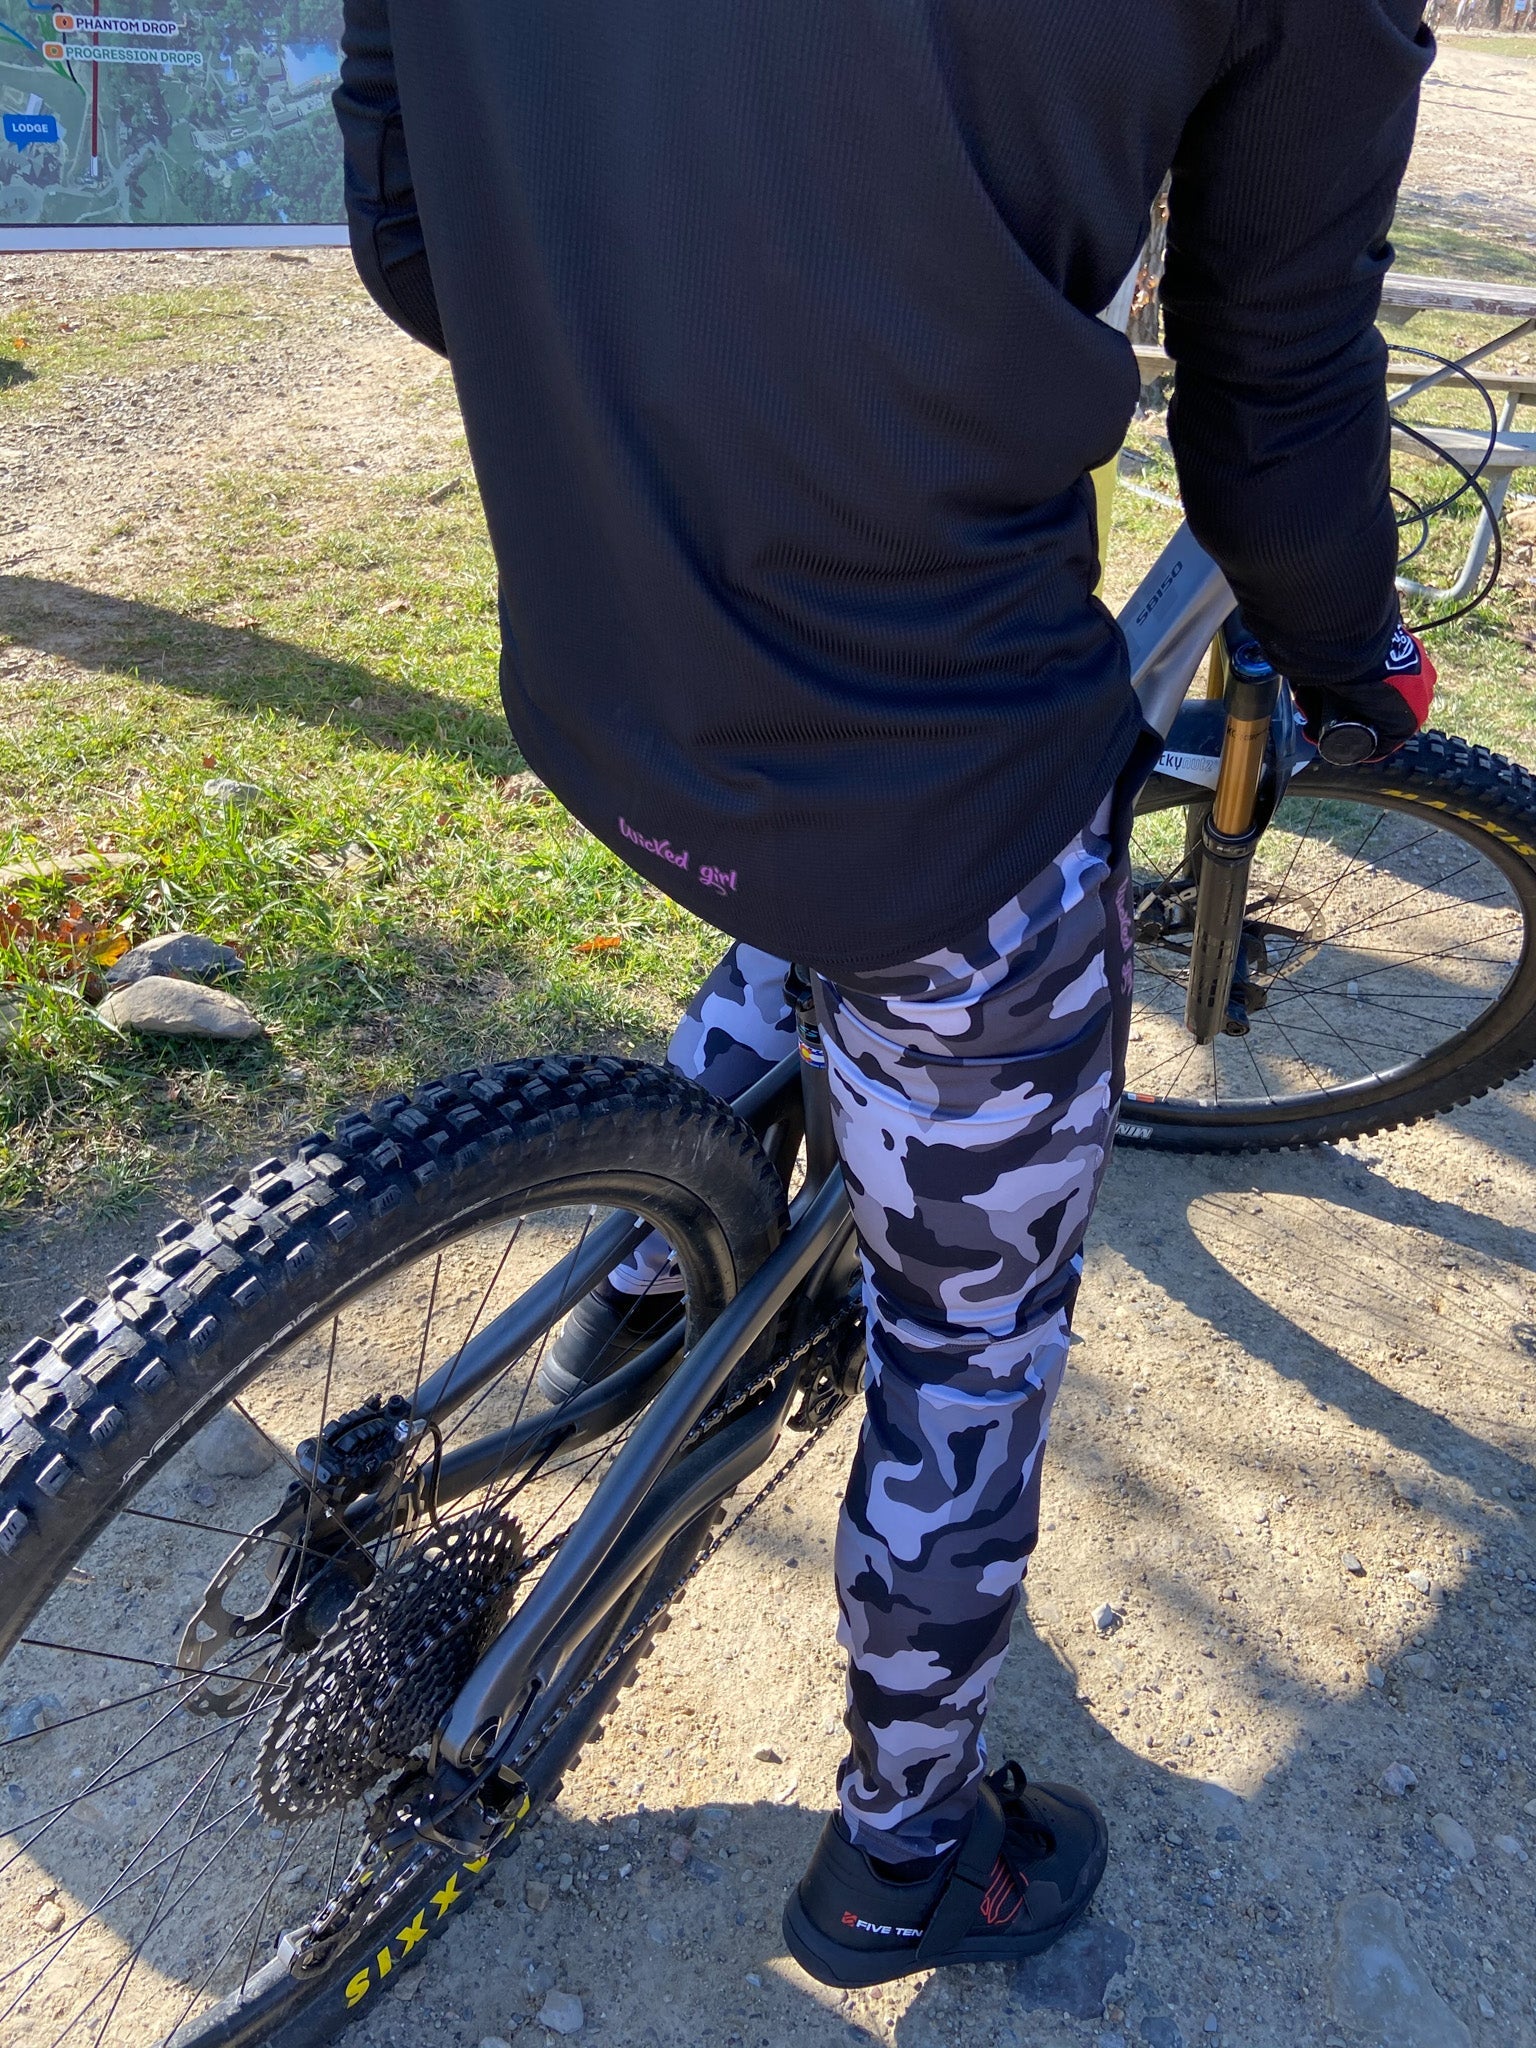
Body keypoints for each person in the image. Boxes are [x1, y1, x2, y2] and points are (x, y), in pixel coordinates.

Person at [335, 0, 1437, 1988]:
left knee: (819, 882)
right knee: (972, 1323)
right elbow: (1274, 388)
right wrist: (1353, 649)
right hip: (937, 767)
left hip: (595, 644)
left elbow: (410, 219)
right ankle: (904, 1855)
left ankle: (643, 1294)